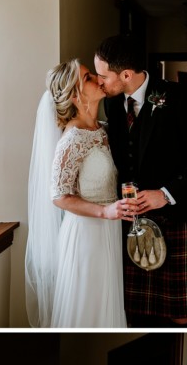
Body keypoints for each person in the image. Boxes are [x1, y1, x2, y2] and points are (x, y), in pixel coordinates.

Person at [94, 35, 187, 326]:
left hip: (175, 214)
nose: (99, 82)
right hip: (130, 218)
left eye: (102, 76)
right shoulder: (111, 104)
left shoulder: (178, 97)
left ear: (126, 74)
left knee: (181, 312)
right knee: (130, 306)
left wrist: (166, 193)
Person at [26, 60, 128, 328]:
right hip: (87, 234)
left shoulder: (101, 130)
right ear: (74, 94)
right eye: (88, 77)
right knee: (88, 306)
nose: (97, 79)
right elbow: (59, 195)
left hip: (108, 231)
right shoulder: (72, 138)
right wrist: (105, 211)